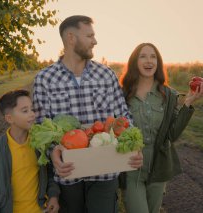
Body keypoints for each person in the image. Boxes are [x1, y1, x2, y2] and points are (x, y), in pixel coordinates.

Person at [32, 15, 143, 213]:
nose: (95, 41)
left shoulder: (105, 75)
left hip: (104, 172)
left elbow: (123, 115)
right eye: (89, 35)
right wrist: (53, 154)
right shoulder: (45, 79)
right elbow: (40, 126)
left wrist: (134, 146)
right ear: (71, 37)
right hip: (69, 172)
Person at [119, 43, 203, 213]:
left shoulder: (168, 95)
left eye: (153, 57)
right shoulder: (122, 94)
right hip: (131, 168)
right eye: (143, 56)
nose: (148, 61)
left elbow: (172, 134)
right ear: (134, 62)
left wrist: (188, 103)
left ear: (158, 63)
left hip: (158, 168)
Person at [0, 89, 60, 213]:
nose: (32, 114)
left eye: (32, 109)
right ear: (10, 118)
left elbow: (49, 174)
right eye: (25, 111)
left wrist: (53, 196)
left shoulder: (39, 144)